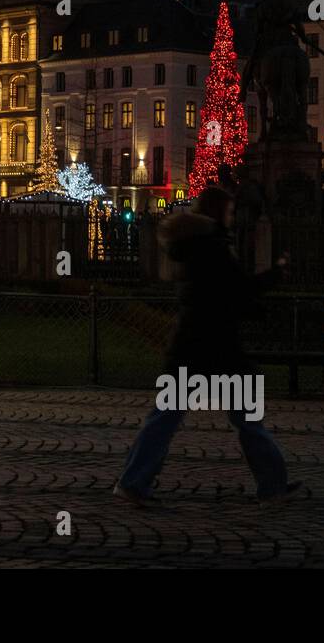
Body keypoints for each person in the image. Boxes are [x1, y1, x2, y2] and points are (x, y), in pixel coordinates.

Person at [114, 186, 301, 506]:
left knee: (166, 417)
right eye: (228, 212)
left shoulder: (193, 246)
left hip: (191, 345)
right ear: (217, 212)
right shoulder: (212, 246)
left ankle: (133, 480)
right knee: (244, 419)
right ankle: (272, 485)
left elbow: (224, 292)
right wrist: (275, 276)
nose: (231, 217)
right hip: (216, 347)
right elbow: (236, 290)